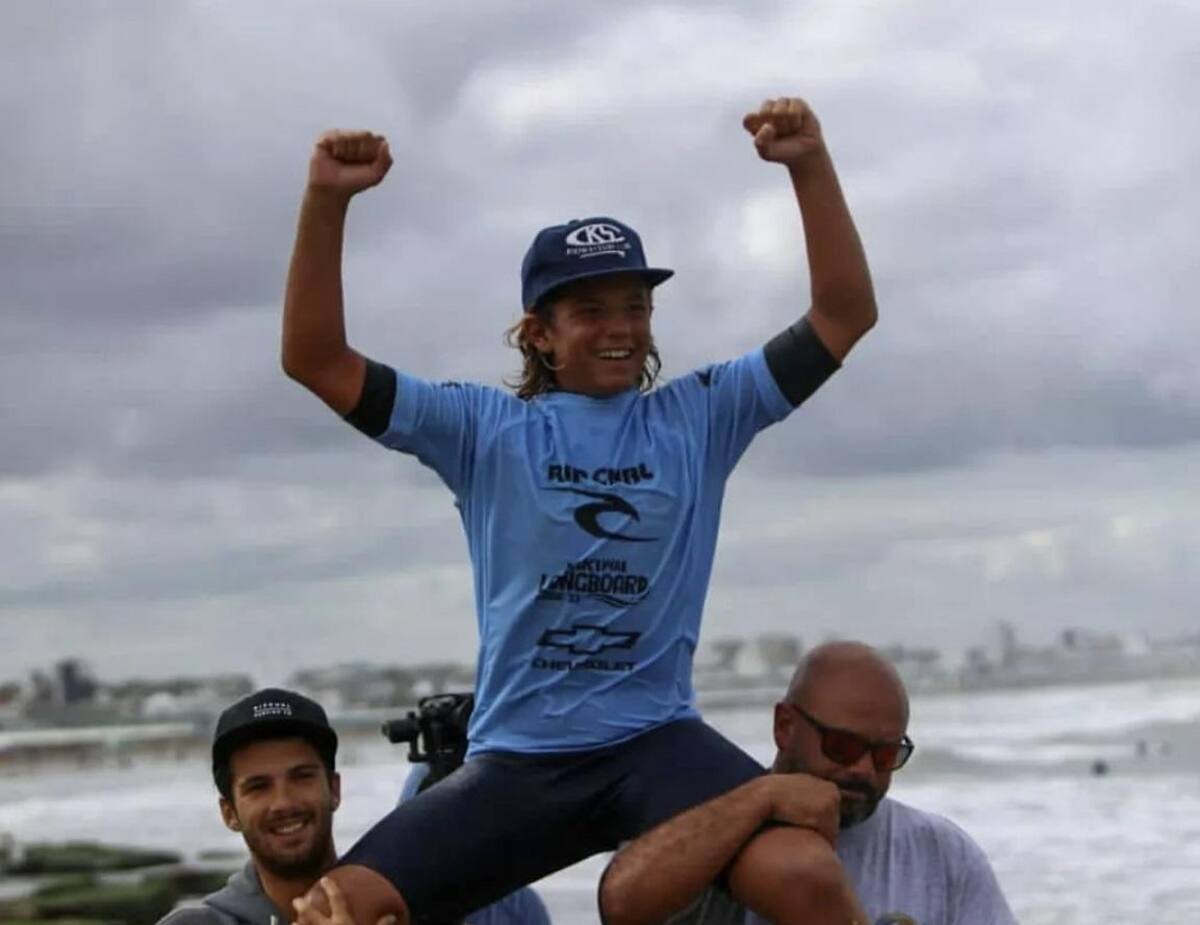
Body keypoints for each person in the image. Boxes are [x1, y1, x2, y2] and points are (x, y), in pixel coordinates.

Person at [282, 95, 878, 925]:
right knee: (337, 911)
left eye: (636, 306)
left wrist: (809, 165)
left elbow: (844, 315)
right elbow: (314, 358)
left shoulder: (700, 416)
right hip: (521, 761)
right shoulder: (484, 430)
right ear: (538, 332)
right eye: (591, 309)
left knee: (805, 875)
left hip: (659, 746)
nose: (621, 329)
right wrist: (327, 200)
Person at [598, 642, 1018, 925]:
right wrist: (762, 798)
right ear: (785, 727)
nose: (864, 770)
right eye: (842, 746)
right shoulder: (706, 830)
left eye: (886, 755)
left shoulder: (940, 854)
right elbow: (621, 904)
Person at [158, 688, 342, 925]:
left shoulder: (395, 901)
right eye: (258, 787)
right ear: (229, 813)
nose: (283, 802)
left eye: (301, 777)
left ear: (334, 790)